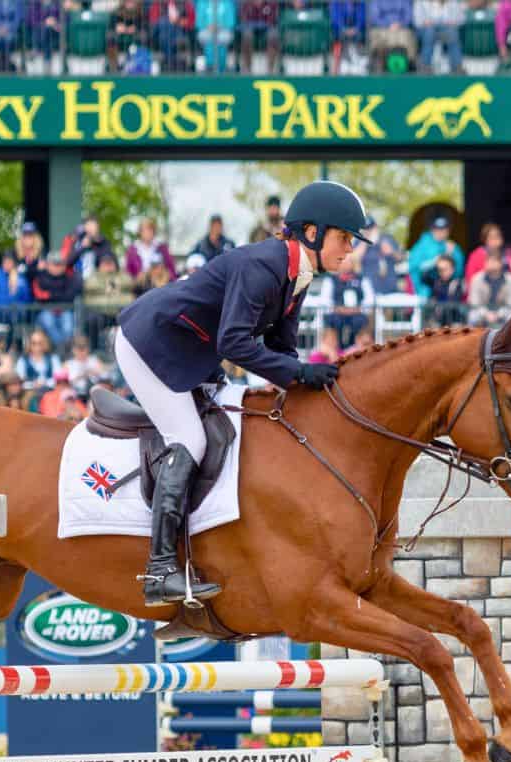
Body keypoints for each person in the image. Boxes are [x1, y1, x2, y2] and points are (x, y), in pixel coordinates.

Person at [114, 180, 368, 606]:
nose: (349, 249)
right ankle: (159, 570)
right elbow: (235, 343)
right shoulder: (263, 266)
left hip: (191, 350)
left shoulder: (297, 274)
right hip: (151, 343)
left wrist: (308, 384)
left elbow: (282, 348)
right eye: (344, 238)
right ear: (312, 233)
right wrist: (300, 372)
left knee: (236, 418)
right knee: (190, 439)